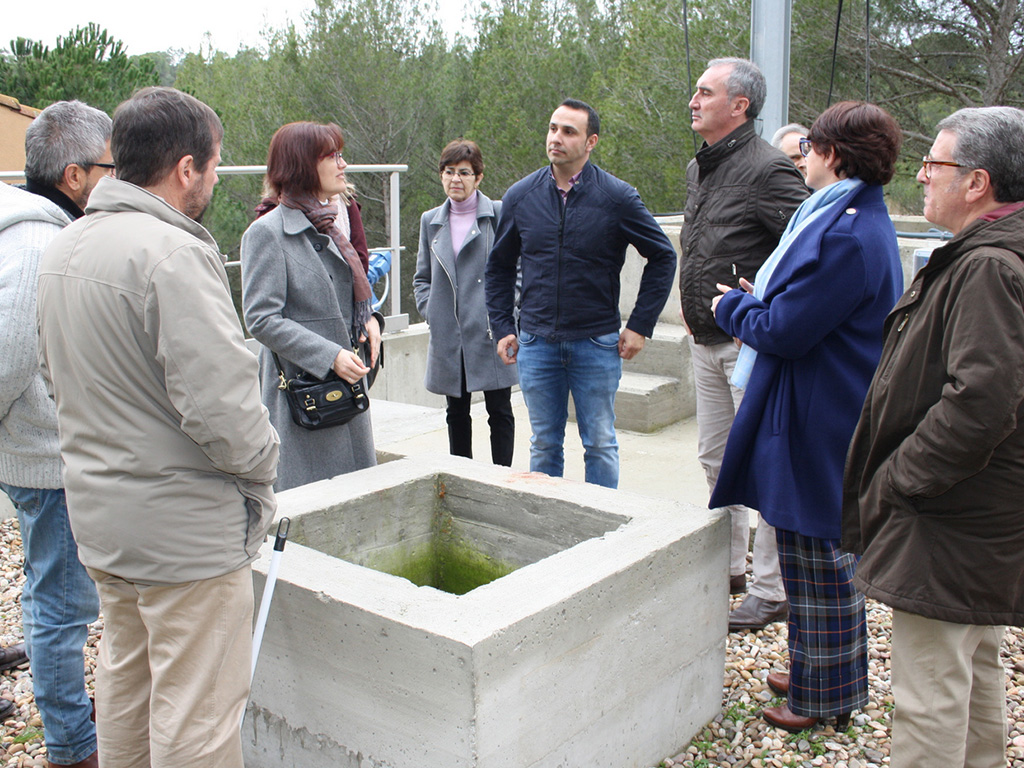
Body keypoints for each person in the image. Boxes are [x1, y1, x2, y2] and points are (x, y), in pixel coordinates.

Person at [36, 86, 279, 768]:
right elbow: (224, 410)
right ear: (185, 167)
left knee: (127, 687)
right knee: (198, 717)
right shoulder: (172, 256)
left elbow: (56, 380)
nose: (213, 179)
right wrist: (264, 466)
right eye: (214, 164)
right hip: (186, 539)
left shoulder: (66, 247)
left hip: (103, 521)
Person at [710, 100, 903, 731]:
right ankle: (815, 667)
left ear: (834, 155)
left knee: (819, 563)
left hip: (819, 419)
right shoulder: (843, 216)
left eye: (809, 147)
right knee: (804, 553)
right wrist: (761, 303)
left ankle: (824, 698)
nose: (801, 156)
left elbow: (788, 331)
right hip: (816, 407)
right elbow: (802, 310)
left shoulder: (846, 233)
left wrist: (731, 311)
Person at [843, 106, 1024, 768]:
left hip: (953, 517)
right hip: (981, 517)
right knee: (973, 671)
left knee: (931, 696)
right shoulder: (994, 257)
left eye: (935, 164)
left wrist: (898, 479)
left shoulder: (989, 268)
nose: (921, 176)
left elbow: (981, 401)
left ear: (975, 182)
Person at [0, 100, 112, 768]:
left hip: (46, 453)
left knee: (56, 594)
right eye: (110, 166)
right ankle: (72, 744)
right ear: (74, 175)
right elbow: (6, 359)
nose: (118, 177)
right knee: (62, 606)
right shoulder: (38, 246)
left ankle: (68, 709)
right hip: (47, 462)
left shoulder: (38, 234)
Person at [485, 99, 676, 488]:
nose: (556, 138)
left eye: (568, 131)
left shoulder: (617, 198)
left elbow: (663, 256)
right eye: (553, 128)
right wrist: (504, 325)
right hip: (536, 342)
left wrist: (640, 324)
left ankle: (603, 535)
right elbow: (498, 267)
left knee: (600, 443)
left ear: (591, 142)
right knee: (544, 445)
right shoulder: (521, 196)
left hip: (596, 342)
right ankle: (547, 527)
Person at [680, 57, 808, 629]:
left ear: (740, 106)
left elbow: (805, 251)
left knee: (764, 465)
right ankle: (728, 566)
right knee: (716, 459)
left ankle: (770, 587)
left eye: (705, 92)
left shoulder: (767, 169)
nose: (693, 100)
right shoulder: (698, 167)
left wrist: (766, 308)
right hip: (704, 342)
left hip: (746, 346)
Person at [241, 121, 381, 492]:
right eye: (332, 156)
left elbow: (345, 297)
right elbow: (261, 318)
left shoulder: (330, 223)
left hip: (346, 395)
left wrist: (372, 320)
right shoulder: (266, 233)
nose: (343, 164)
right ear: (303, 164)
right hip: (305, 400)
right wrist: (329, 355)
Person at [414, 139, 517, 465]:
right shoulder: (430, 220)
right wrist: (432, 311)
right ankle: (463, 475)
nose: (455, 179)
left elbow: (519, 269)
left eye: (464, 172)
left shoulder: (498, 214)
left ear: (478, 177)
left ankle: (503, 479)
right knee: (456, 411)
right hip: (450, 333)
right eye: (448, 172)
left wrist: (507, 313)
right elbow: (422, 277)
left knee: (499, 409)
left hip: (490, 330)